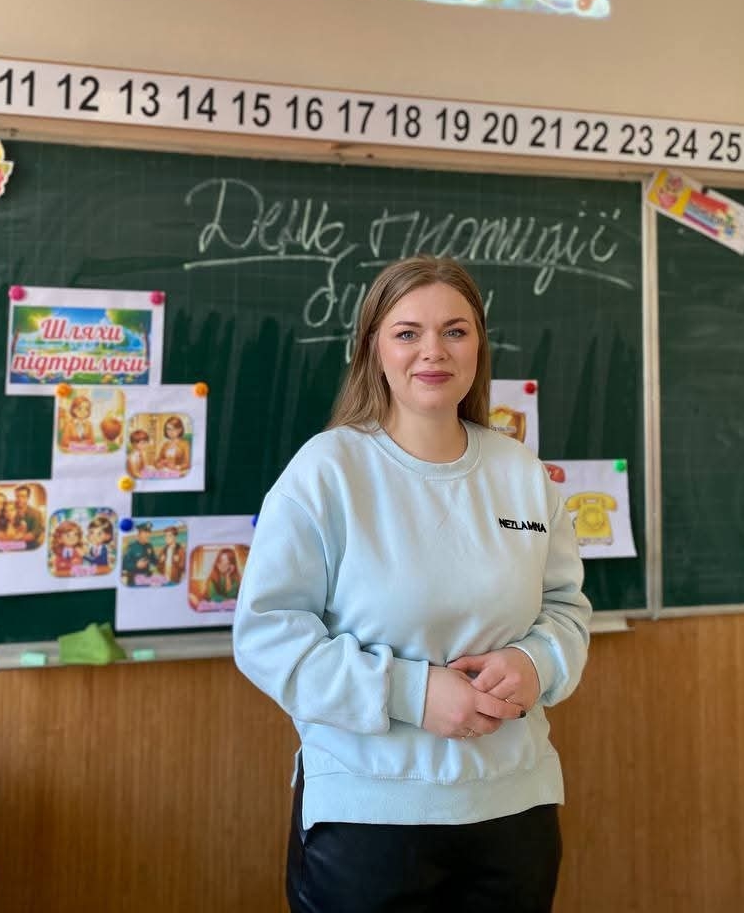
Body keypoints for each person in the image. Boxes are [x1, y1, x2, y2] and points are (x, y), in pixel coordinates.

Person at [233, 255, 590, 913]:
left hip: (515, 811)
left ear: (478, 346)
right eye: (408, 333)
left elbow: (567, 609)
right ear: (374, 347)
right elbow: (268, 636)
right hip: (369, 820)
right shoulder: (327, 472)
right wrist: (412, 693)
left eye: (455, 331)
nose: (433, 351)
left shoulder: (522, 473)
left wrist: (535, 662)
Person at [121, 521, 156, 586]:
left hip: (147, 580)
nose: (148, 535)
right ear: (139, 534)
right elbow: (123, 565)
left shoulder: (149, 546)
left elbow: (154, 560)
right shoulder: (131, 547)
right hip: (134, 581)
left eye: (149, 532)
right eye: (145, 533)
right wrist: (136, 565)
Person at [13, 483, 44, 549]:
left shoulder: (36, 513)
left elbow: (34, 533)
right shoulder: (11, 511)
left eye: (23, 496)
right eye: (17, 496)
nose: (20, 499)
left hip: (31, 547)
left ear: (28, 498)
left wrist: (13, 540)